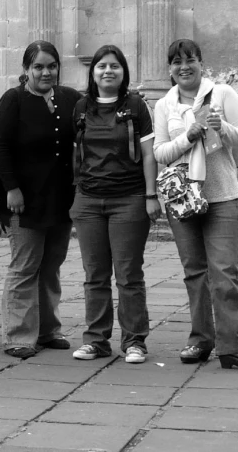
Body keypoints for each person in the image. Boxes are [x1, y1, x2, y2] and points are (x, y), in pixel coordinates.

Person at [153, 38, 238, 371]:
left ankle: (232, 346)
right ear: (170, 69)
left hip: (220, 196)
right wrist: (186, 137)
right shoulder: (165, 105)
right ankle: (201, 339)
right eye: (176, 62)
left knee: (225, 272)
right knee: (195, 273)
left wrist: (222, 127)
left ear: (201, 63)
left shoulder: (222, 95)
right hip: (183, 197)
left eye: (189, 60)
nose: (183, 67)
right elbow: (159, 153)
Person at [69, 45, 160, 363]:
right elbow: (75, 154)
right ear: (92, 73)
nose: (108, 71)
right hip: (89, 201)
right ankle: (96, 340)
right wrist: (75, 198)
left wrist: (151, 196)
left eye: (115, 66)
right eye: (102, 66)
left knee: (128, 273)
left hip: (129, 200)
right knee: (94, 274)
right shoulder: (81, 107)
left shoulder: (136, 105)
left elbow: (149, 155)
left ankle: (135, 341)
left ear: (124, 72)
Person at [0, 41, 82, 359]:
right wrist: (11, 188)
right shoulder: (13, 100)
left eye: (52, 66)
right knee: (24, 266)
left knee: (51, 266)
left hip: (61, 198)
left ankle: (47, 330)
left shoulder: (71, 98)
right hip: (24, 200)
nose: (46, 72)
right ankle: (18, 335)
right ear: (26, 70)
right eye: (39, 67)